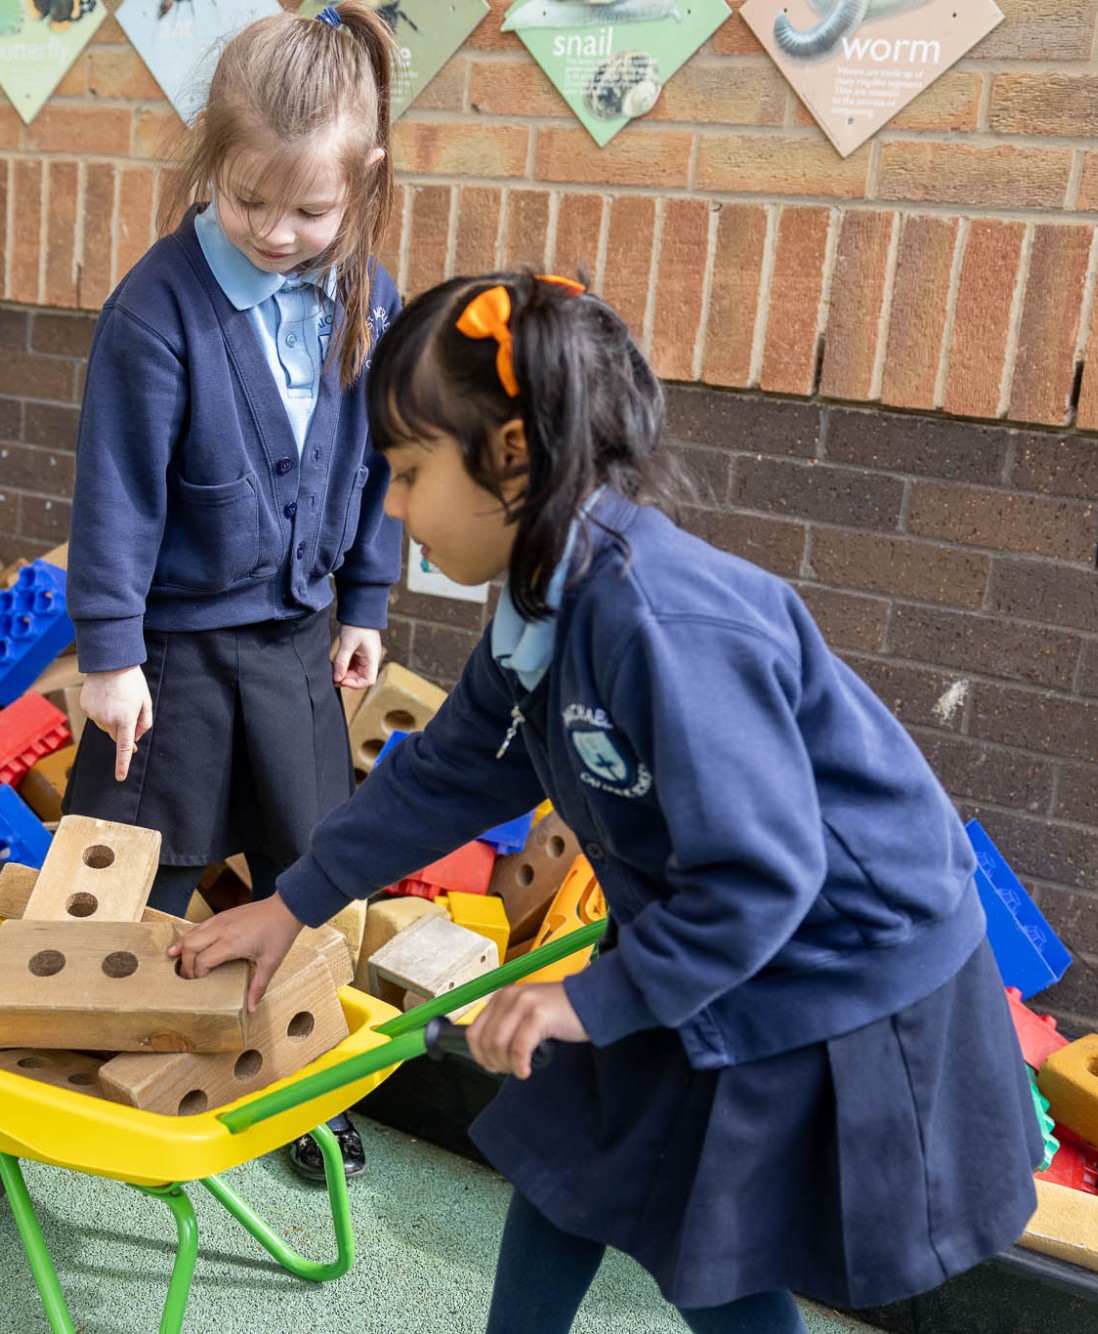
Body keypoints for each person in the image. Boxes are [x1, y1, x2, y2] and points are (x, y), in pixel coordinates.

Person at [169, 271, 1047, 1332]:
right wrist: (293, 901)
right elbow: (452, 769)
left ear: (510, 456)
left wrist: (590, 1001)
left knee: (711, 1238)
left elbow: (764, 875)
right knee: (570, 1157)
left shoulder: (656, 624)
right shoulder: (540, 602)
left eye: (406, 472)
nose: (391, 507)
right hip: (704, 923)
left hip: (826, 959)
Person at [63, 1, 402, 1183]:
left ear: (363, 185)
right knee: (138, 858)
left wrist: (366, 603)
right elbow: (115, 491)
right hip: (171, 657)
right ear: (210, 160)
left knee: (303, 867)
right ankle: (91, 1052)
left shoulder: (367, 296)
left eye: (309, 211)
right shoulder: (154, 311)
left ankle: (296, 1079)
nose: (274, 231)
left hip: (297, 645)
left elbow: (378, 466)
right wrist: (110, 656)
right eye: (249, 200)